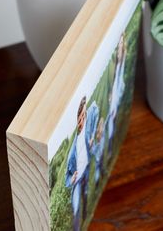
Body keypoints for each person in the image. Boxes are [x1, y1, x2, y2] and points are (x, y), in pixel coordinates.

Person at [65, 97, 99, 231]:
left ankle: (86, 214)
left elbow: (95, 108)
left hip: (86, 170)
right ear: (76, 121)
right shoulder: (73, 149)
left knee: (86, 195)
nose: (83, 120)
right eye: (80, 119)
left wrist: (92, 136)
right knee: (75, 207)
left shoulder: (89, 118)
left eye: (84, 115)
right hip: (78, 180)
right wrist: (71, 179)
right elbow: (67, 178)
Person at [107, 33, 127, 157]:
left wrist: (115, 96)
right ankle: (110, 149)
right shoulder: (116, 63)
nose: (118, 48)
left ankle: (111, 148)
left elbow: (120, 83)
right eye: (117, 45)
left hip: (117, 98)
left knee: (113, 123)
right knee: (110, 126)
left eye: (120, 44)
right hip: (114, 98)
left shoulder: (122, 62)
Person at [92, 117, 106, 188]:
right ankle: (97, 182)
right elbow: (93, 150)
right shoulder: (97, 145)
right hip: (99, 162)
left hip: (101, 160)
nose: (98, 130)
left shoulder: (104, 139)